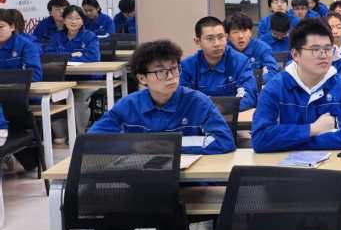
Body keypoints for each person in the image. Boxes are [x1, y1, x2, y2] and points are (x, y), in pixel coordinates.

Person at [89, 39, 235, 154]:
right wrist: (134, 146)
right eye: (161, 72)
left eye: (174, 68)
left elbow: (224, 141)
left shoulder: (198, 102)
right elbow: (92, 140)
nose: (171, 76)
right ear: (142, 78)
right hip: (142, 175)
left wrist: (168, 145)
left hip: (189, 177)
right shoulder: (128, 105)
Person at [251, 19, 341, 152]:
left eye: (328, 49)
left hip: (330, 163)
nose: (324, 55)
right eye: (315, 49)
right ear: (295, 54)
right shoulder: (275, 88)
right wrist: (312, 129)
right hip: (284, 164)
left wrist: (289, 141)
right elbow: (260, 139)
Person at [180, 16, 258, 111]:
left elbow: (250, 97)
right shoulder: (187, 66)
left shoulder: (240, 62)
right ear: (197, 41)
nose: (217, 44)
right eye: (210, 39)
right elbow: (181, 99)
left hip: (231, 117)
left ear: (226, 37)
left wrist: (220, 108)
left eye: (221, 37)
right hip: (199, 118)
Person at [44, 5, 101, 132]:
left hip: (87, 80)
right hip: (62, 80)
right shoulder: (56, 37)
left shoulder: (90, 36)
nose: (73, 21)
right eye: (70, 18)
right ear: (64, 20)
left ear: (83, 21)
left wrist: (66, 57)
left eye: (77, 18)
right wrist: (73, 56)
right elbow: (49, 56)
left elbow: (93, 57)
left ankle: (80, 135)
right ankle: (61, 136)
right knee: (53, 100)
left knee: (78, 99)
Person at [224, 13, 279, 81]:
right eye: (235, 32)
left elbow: (272, 71)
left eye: (244, 31)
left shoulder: (262, 48)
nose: (241, 36)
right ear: (227, 36)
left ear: (250, 33)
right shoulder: (223, 51)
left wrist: (259, 82)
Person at [0, 8, 42, 81]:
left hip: (17, 87)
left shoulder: (27, 45)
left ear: (12, 27)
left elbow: (35, 76)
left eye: (1, 27)